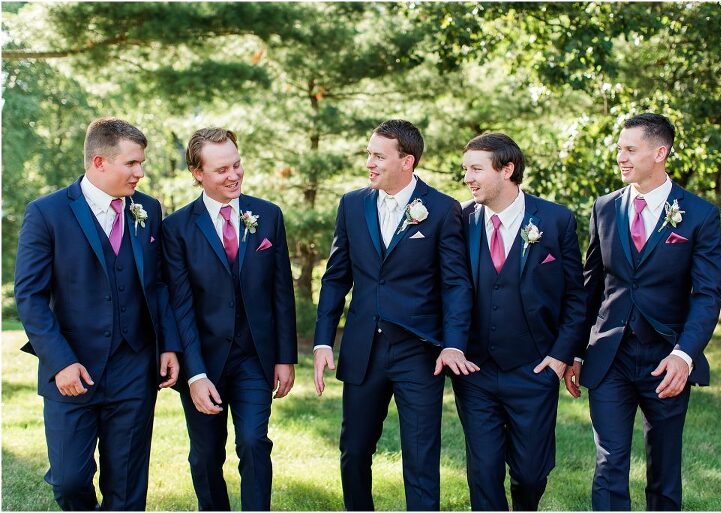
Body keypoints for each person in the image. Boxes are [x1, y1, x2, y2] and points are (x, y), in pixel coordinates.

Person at [14, 117, 181, 510]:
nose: (140, 173)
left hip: (135, 367)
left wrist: (169, 346)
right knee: (70, 480)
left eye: (142, 163)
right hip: (73, 368)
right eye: (132, 163)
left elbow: (158, 285)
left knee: (127, 486)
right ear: (100, 162)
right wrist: (60, 363)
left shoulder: (148, 209)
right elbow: (30, 296)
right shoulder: (47, 213)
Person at [564, 113, 721, 510]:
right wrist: (576, 352)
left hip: (666, 358)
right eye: (620, 148)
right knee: (609, 462)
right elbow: (591, 288)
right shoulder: (604, 208)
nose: (621, 157)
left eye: (630, 149)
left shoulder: (699, 215)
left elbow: (707, 294)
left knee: (664, 467)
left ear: (660, 152)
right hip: (610, 356)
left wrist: (684, 355)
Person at [313, 119, 475, 511]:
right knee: (354, 451)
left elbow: (455, 284)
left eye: (378, 156)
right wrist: (322, 341)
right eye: (368, 154)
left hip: (418, 352)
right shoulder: (352, 205)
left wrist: (453, 344)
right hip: (363, 349)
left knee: (420, 457)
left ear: (407, 161)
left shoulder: (442, 209)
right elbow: (336, 278)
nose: (369, 163)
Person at [162, 127, 297, 511]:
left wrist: (284, 357)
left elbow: (281, 291)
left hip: (255, 356)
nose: (234, 175)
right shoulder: (176, 228)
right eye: (221, 169)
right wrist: (195, 375)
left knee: (254, 442)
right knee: (206, 456)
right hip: (204, 359)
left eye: (236, 164)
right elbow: (180, 306)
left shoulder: (268, 216)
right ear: (197, 173)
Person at [454, 132, 586, 510]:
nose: (467, 178)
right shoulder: (460, 220)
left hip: (534, 367)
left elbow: (576, 297)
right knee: (484, 471)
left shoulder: (556, 220)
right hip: (475, 370)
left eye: (476, 169)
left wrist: (561, 355)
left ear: (507, 169)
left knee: (530, 474)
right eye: (466, 170)